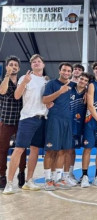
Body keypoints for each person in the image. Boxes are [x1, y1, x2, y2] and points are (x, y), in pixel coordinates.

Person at [3, 54, 48, 194]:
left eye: (38, 61)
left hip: (42, 119)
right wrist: (24, 82)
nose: (36, 63)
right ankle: (9, 183)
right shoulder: (25, 78)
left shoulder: (47, 81)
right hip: (28, 118)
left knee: (35, 150)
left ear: (43, 64)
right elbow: (16, 96)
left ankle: (29, 181)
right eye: (33, 62)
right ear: (31, 65)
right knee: (19, 149)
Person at [42, 62, 75, 191]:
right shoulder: (51, 84)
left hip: (67, 121)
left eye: (68, 71)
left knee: (63, 150)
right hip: (54, 119)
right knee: (51, 150)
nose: (66, 73)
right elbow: (44, 100)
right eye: (64, 70)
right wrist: (60, 92)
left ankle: (57, 179)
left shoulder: (73, 86)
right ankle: (47, 180)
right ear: (59, 71)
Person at [0, 56, 26, 189]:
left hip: (21, 121)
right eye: (11, 64)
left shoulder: (22, 82)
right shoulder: (3, 81)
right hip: (6, 121)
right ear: (6, 67)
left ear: (19, 68)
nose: (13, 67)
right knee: (2, 150)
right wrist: (7, 76)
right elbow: (2, 91)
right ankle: (2, 176)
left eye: (16, 65)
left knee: (21, 149)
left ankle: (21, 173)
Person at [64, 72, 90, 186]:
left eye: (85, 80)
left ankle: (70, 173)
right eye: (81, 79)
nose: (83, 82)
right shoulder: (69, 89)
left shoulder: (87, 94)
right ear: (77, 79)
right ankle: (62, 175)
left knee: (72, 150)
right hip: (66, 124)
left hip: (78, 125)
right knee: (65, 150)